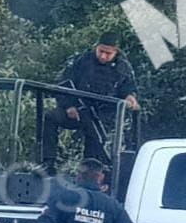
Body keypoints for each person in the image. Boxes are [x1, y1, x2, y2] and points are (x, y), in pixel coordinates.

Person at [42, 32, 140, 173]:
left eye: (108, 53)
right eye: (101, 51)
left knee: (95, 145)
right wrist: (69, 105)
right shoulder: (82, 60)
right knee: (51, 117)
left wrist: (131, 97)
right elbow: (64, 83)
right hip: (77, 109)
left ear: (116, 52)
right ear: (96, 47)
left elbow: (129, 87)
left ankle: (90, 173)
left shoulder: (123, 67)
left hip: (103, 118)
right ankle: (48, 162)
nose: (103, 56)